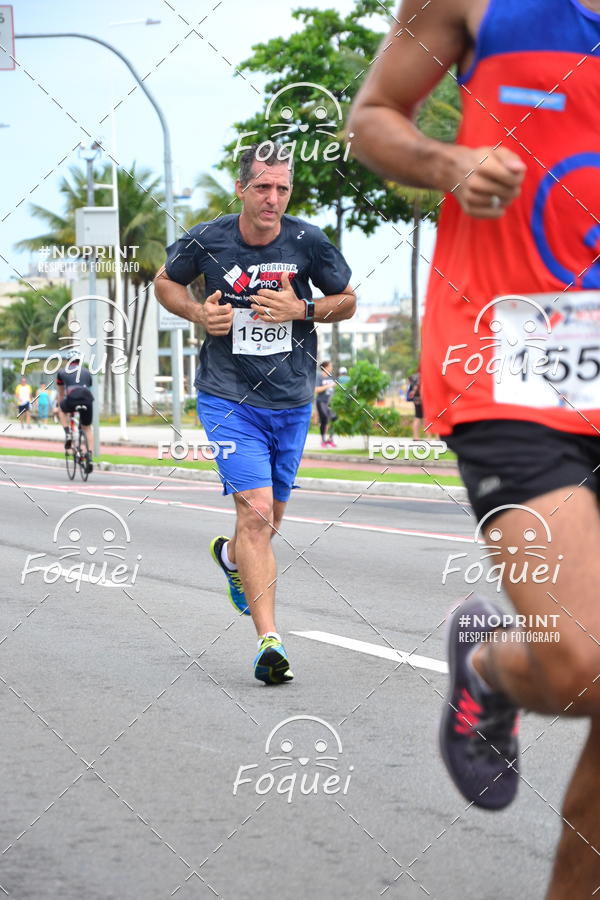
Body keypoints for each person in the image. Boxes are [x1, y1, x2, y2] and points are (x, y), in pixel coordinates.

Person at [349, 0, 600, 895]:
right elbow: (373, 116)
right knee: (577, 662)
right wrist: (448, 162)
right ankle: (493, 663)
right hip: (511, 361)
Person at [154, 142, 355, 684]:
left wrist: (303, 309)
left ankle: (233, 561)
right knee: (258, 515)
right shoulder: (209, 239)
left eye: (282, 189)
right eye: (263, 187)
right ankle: (270, 641)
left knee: (269, 524)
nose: (272, 198)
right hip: (226, 397)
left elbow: (348, 300)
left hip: (291, 399)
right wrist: (198, 312)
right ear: (242, 188)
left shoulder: (309, 242)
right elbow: (164, 282)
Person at [56, 349, 94, 473]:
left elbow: (61, 394)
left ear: (68, 361)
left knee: (61, 410)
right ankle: (90, 455)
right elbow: (87, 386)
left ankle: (67, 432)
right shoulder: (87, 372)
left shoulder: (62, 372)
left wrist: (58, 405)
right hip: (87, 399)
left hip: (72, 398)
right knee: (87, 428)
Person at [315, 359, 337, 448]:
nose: (331, 368)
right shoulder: (319, 377)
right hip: (321, 402)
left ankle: (330, 439)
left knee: (334, 419)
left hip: (331, 403)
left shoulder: (331, 377)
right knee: (324, 419)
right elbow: (316, 390)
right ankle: (323, 440)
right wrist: (329, 385)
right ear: (325, 367)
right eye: (330, 366)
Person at [406, 370, 423, 440]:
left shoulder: (414, 376)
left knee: (417, 417)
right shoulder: (420, 376)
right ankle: (416, 437)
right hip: (421, 399)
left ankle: (415, 436)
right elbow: (417, 387)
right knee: (420, 417)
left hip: (416, 399)